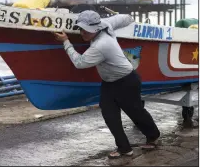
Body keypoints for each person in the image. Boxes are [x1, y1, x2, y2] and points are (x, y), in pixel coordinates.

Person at [54, 10, 160, 159]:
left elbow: (79, 63)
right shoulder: (105, 24)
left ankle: (153, 136)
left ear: (96, 29)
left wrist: (66, 42)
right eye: (80, 28)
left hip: (127, 81)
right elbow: (124, 17)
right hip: (109, 82)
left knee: (136, 112)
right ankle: (124, 148)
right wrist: (130, 18)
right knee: (110, 116)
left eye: (86, 30)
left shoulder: (101, 45)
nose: (82, 32)